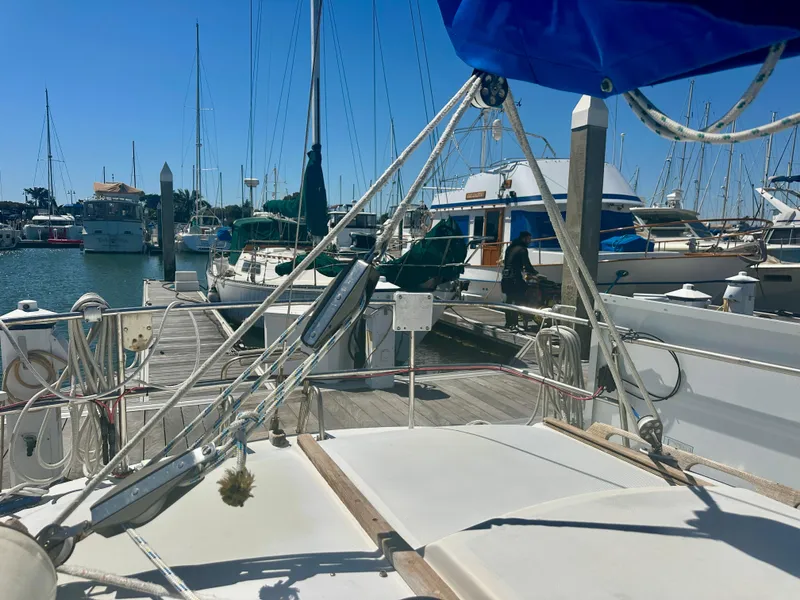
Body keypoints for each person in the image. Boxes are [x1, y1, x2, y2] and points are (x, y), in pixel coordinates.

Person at [501, 231, 539, 328]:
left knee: (509, 300)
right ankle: (515, 324)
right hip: (514, 278)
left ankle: (509, 323)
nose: (530, 241)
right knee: (520, 300)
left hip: (505, 277)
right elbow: (527, 265)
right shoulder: (522, 250)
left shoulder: (510, 248)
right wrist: (536, 274)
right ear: (524, 239)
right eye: (529, 239)